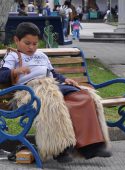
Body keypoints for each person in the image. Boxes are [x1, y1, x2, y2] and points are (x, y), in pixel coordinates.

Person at [0, 22, 112, 162]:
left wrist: (66, 80)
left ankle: (91, 145)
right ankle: (59, 149)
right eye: (27, 43)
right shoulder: (13, 56)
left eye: (35, 44)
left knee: (83, 96)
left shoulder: (41, 55)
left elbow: (53, 74)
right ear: (17, 40)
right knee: (52, 102)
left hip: (52, 85)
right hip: (29, 90)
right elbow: (1, 75)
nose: (32, 47)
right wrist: (15, 71)